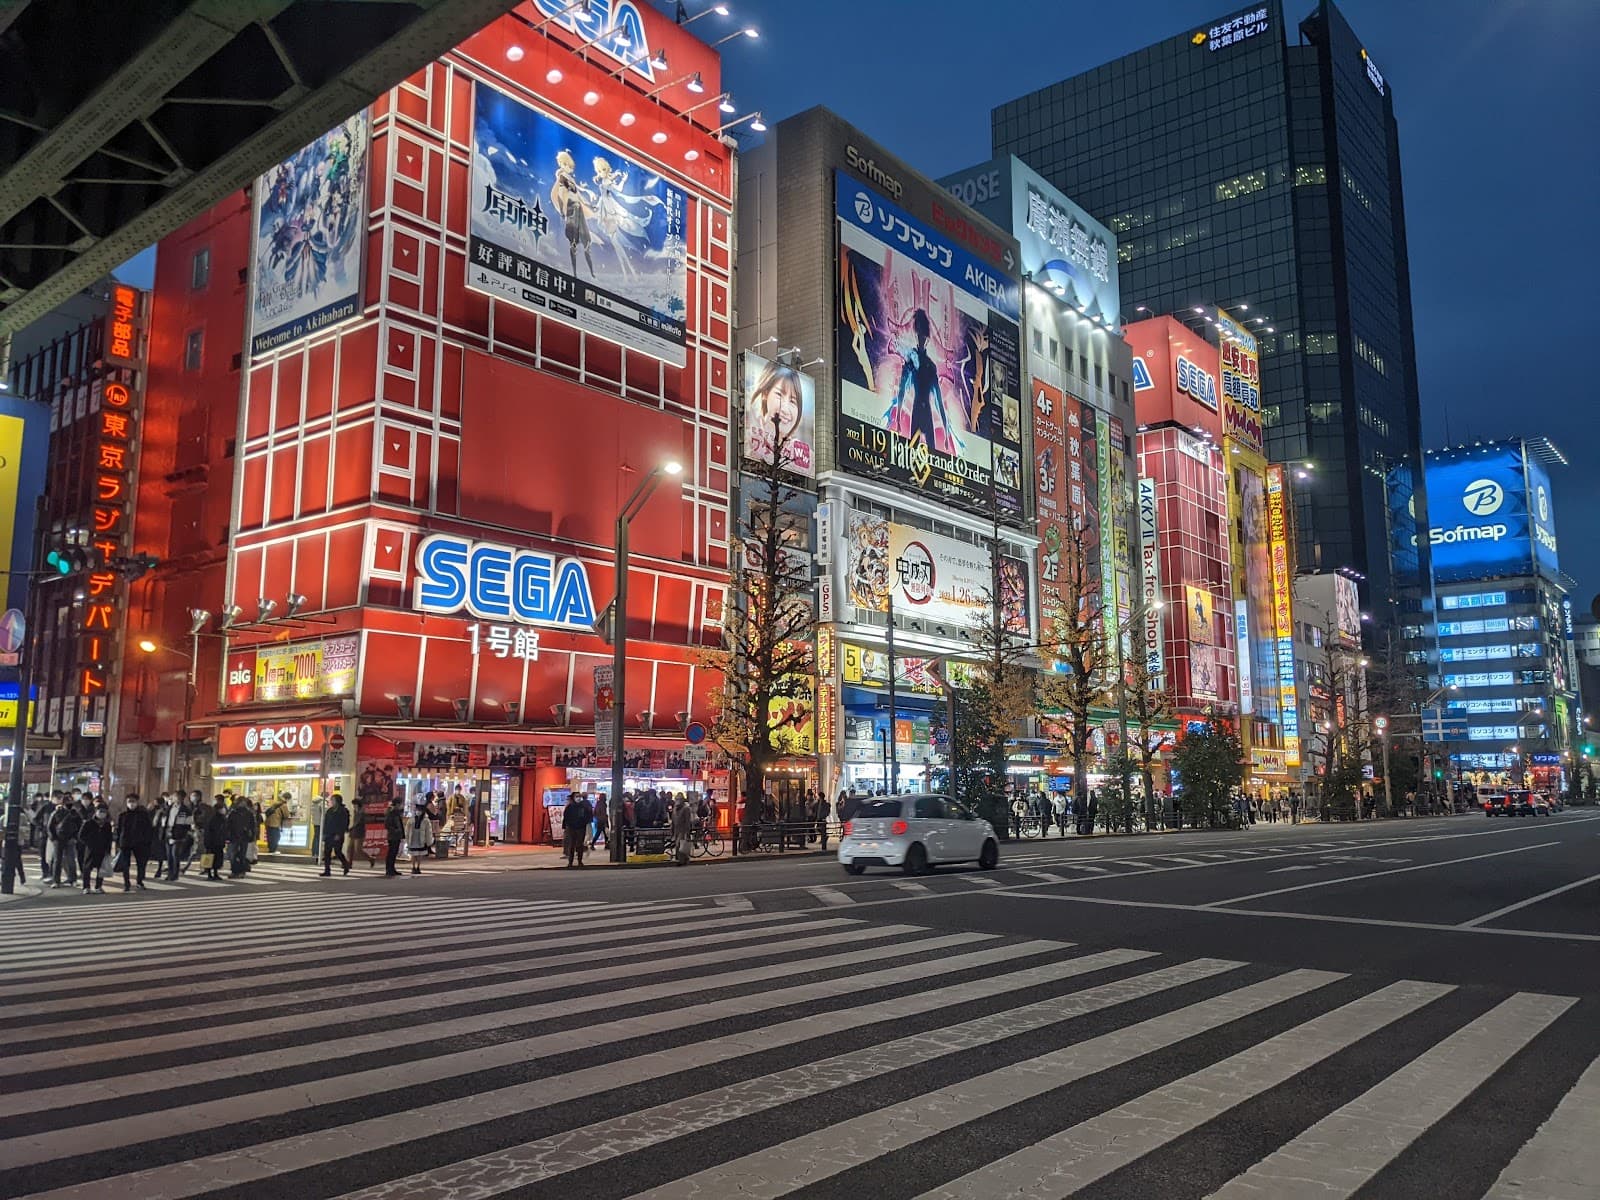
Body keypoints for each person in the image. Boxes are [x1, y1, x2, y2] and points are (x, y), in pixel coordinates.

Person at [114, 791, 154, 891]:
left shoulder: (143, 815)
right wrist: (118, 842)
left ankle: (139, 881)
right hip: (125, 843)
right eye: (129, 801)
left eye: (133, 801)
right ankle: (126, 883)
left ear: (137, 802)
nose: (131, 804)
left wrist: (147, 841)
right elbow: (118, 830)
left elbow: (149, 829)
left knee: (141, 863)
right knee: (125, 864)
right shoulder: (122, 815)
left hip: (140, 843)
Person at [47, 793, 82, 888]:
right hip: (59, 839)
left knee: (70, 860)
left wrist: (75, 838)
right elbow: (50, 826)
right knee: (58, 860)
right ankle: (56, 880)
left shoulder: (75, 814)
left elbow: (80, 827)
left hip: (69, 839)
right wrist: (53, 838)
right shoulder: (57, 812)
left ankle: (72, 879)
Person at [77, 803, 114, 894]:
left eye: (104, 812)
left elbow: (109, 838)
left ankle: (98, 886)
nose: (102, 813)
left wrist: (109, 850)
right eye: (100, 811)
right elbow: (81, 836)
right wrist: (89, 843)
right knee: (87, 868)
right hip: (90, 849)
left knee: (101, 868)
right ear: (96, 811)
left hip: (102, 849)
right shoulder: (89, 823)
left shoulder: (107, 825)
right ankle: (86, 887)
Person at [226, 794, 257, 878]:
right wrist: (227, 836)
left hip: (244, 836)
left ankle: (241, 871)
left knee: (242, 854)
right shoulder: (233, 812)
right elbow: (228, 825)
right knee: (233, 854)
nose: (242, 804)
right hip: (234, 836)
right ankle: (234, 870)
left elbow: (253, 825)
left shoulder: (248, 813)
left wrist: (252, 836)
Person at [321, 793, 352, 876]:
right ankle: (327, 870)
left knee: (337, 851)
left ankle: (345, 864)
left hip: (338, 834)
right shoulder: (330, 811)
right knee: (327, 852)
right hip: (329, 833)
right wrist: (324, 833)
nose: (332, 801)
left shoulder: (343, 811)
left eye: (333, 800)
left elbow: (344, 823)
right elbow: (326, 822)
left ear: (337, 801)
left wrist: (339, 833)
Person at [562, 791, 593, 868]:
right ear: (573, 798)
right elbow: (566, 817)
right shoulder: (570, 807)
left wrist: (584, 823)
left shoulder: (583, 807)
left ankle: (579, 861)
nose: (578, 798)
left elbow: (587, 815)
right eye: (576, 796)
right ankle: (570, 862)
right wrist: (567, 826)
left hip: (580, 828)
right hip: (572, 828)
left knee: (580, 845)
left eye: (579, 796)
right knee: (572, 845)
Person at [407, 797, 435, 875]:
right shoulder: (411, 819)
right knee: (413, 854)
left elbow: (428, 831)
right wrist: (407, 838)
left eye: (419, 810)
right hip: (413, 837)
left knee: (419, 854)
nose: (418, 811)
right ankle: (413, 867)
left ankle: (418, 867)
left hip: (421, 838)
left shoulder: (426, 820)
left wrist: (429, 841)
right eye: (417, 810)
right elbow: (407, 829)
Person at [383, 794, 405, 877]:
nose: (401, 805)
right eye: (400, 804)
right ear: (397, 804)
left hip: (397, 835)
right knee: (391, 853)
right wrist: (396, 830)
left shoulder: (396, 813)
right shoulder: (391, 813)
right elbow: (387, 825)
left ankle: (392, 868)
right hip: (393, 836)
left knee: (394, 852)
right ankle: (389, 869)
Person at [672, 793, 693, 866]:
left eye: (679, 799)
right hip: (676, 830)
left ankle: (681, 860)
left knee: (680, 845)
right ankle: (682, 858)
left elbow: (687, 821)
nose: (678, 801)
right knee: (679, 845)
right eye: (677, 799)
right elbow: (673, 821)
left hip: (683, 830)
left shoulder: (686, 808)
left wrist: (688, 832)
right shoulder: (675, 808)